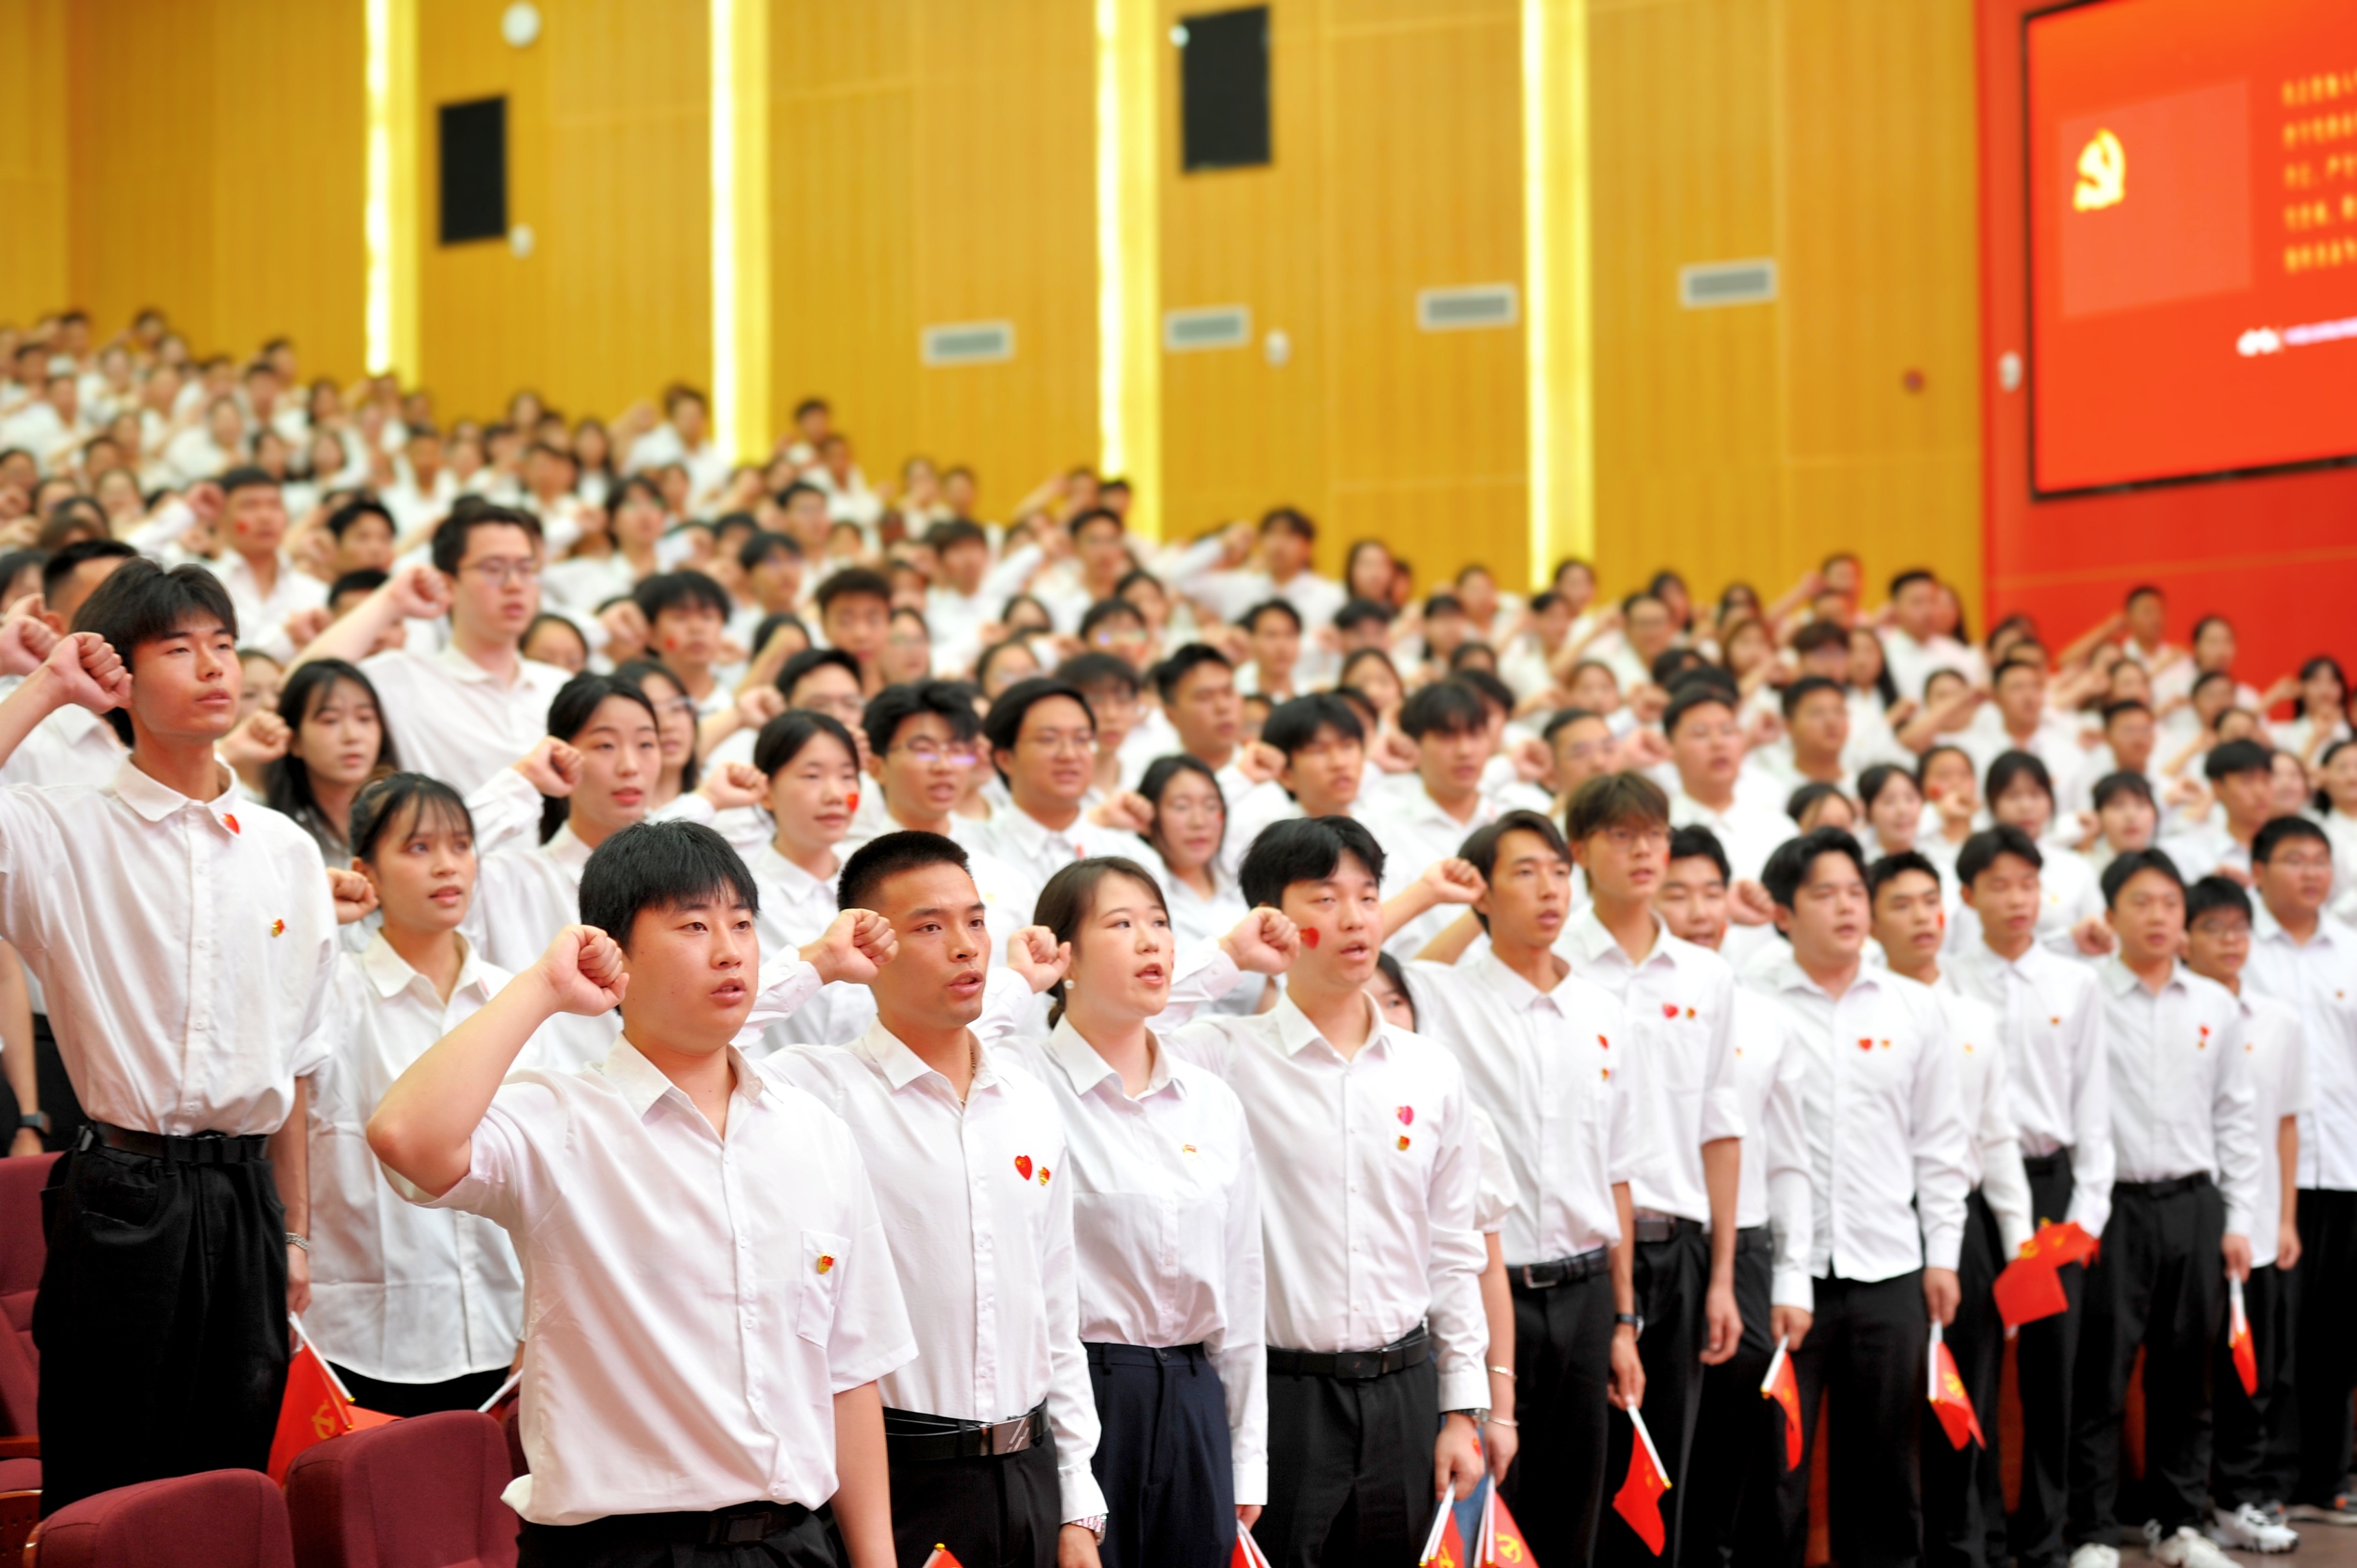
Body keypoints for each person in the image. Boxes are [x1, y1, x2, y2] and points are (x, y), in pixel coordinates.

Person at [365, 821, 909, 1567]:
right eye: (693, 926)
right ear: (616, 950)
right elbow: (405, 1137)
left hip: (793, 1545)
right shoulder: (561, 1121)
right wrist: (543, 989)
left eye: (742, 924)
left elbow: (849, 1374)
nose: (730, 951)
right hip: (620, 1550)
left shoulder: (815, 1134)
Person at [0, 562, 343, 1512]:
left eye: (224, 644)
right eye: (178, 648)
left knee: (230, 1480)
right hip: (124, 1190)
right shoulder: (62, 829)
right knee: (110, 1482)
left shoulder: (285, 851)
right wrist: (48, 685)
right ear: (121, 678)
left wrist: (297, 1231)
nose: (214, 666)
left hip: (247, 1199)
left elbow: (299, 1064)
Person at [764, 831, 1110, 1568]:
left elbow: (1055, 1312)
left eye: (975, 921)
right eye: (928, 927)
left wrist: (1078, 1497)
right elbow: (703, 1036)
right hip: (893, 1472)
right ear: (870, 945)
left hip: (1028, 1469)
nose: (965, 947)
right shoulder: (817, 1089)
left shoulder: (1026, 1101)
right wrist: (818, 965)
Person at [1157, 817, 1488, 1567]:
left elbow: (1452, 1249)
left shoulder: (1430, 1070)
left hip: (1406, 1390)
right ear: (1272, 917)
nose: (1355, 919)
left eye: (1368, 897)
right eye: (1325, 899)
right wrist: (1231, 956)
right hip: (1282, 1399)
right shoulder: (1224, 1056)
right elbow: (1105, 1024)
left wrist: (1462, 1407)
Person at [1397, 810, 1648, 1567]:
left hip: (1586, 1293)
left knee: (1573, 1511)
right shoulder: (1442, 994)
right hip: (1483, 1293)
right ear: (1483, 892)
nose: (1550, 890)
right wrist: (1437, 896)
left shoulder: (1604, 1011)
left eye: (1560, 872)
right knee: (1477, 1514)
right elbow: (1365, 961)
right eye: (1525, 872)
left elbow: (1618, 1174)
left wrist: (1624, 1318)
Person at [1015, 857, 1273, 1568]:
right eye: (1121, 924)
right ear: (1065, 956)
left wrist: (1246, 1454)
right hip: (1083, 1394)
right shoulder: (1020, 1081)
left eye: (1159, 922)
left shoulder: (1210, 1101)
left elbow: (1243, 1286)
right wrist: (1022, 982)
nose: (1151, 940)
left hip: (1193, 1398)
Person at [1751, 825, 1972, 1568]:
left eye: (1855, 892)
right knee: (1775, 1473)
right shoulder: (1752, 1004)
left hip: (1889, 1268)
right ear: (1783, 913)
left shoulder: (1914, 1008)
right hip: (1784, 1275)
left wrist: (1943, 1256)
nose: (1847, 907)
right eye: (1825, 894)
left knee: (1884, 1470)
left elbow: (1940, 1144)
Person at [303, 773, 533, 1415]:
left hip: (504, 1322)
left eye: (460, 845)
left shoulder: (515, 997)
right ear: (364, 872)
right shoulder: (331, 993)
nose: (447, 866)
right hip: (366, 1334)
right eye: (418, 848)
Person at [2069, 849, 2259, 1568]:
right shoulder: (2085, 991)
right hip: (2111, 1206)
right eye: (2140, 903)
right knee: (2101, 1374)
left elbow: (2235, 1116)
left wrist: (2238, 1219)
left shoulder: (2214, 1004)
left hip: (2193, 1202)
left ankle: (2178, 1524)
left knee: (2187, 1375)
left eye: (2170, 905)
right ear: (2109, 915)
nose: (2157, 917)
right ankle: (2092, 1531)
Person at [1944, 824, 2112, 1568]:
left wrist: (2085, 1219)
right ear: (1967, 895)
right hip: (1973, 1195)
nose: (2017, 900)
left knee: (2051, 1375)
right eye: (1999, 886)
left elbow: (2094, 1110)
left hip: (2050, 1191)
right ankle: (1981, 1537)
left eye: (2028, 884)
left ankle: (2046, 1540)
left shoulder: (2075, 983)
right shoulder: (1946, 980)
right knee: (1975, 1369)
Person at [1866, 849, 2034, 1568]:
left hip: (1962, 1229)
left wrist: (2019, 1251)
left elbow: (1996, 1137)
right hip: (1881, 1223)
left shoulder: (1972, 1017)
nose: (1920, 918)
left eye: (1928, 902)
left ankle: (1965, 1550)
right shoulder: (1862, 1010)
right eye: (1899, 904)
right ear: (1870, 920)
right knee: (1894, 1411)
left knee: (1965, 1403)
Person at [1652, 826, 1815, 1568]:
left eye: (1712, 893)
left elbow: (1789, 1161)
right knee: (1657, 1466)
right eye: (1677, 894)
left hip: (1744, 1256)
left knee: (1732, 1467)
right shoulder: (1621, 1004)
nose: (1698, 912)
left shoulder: (1767, 1018)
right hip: (1657, 1253)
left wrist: (1791, 1277)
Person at [2233, 815, 2357, 1525]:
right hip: (2272, 1176)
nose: (2311, 872)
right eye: (2294, 859)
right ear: (2257, 870)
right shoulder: (2240, 948)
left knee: (2338, 1331)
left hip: (2345, 1167)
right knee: (2277, 1331)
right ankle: (2270, 1478)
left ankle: (2329, 1477)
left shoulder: (2350, 950)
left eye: (2320, 859)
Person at [2179, 875, 2305, 1553]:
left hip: (2254, 1225)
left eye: (2239, 929)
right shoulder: (2174, 1013)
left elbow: (2284, 1124)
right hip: (2190, 1217)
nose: (2230, 942)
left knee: (2254, 1369)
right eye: (2213, 929)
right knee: (2188, 1370)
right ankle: (2185, 1505)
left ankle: (2239, 1497)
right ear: (2184, 938)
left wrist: (2283, 1219)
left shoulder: (2278, 1021)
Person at [294, 505, 572, 795]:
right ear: (449, 583)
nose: (515, 585)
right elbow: (304, 686)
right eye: (494, 569)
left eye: (526, 569)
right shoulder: (404, 680)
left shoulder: (560, 685)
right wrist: (392, 599)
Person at [1363, 682, 1503, 958]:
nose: (1465, 750)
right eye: (1447, 737)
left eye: (1475, 734)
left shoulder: (1513, 820)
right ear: (1414, 745)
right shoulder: (1382, 831)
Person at [970, 678, 1102, 916]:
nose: (1069, 754)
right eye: (1048, 739)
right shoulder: (971, 858)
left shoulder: (1132, 854)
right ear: (1005, 758)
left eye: (1081, 739)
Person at [247, 657, 398, 862]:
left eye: (365, 718)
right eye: (330, 720)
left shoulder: (404, 813)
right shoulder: (268, 829)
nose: (352, 736)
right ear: (294, 739)